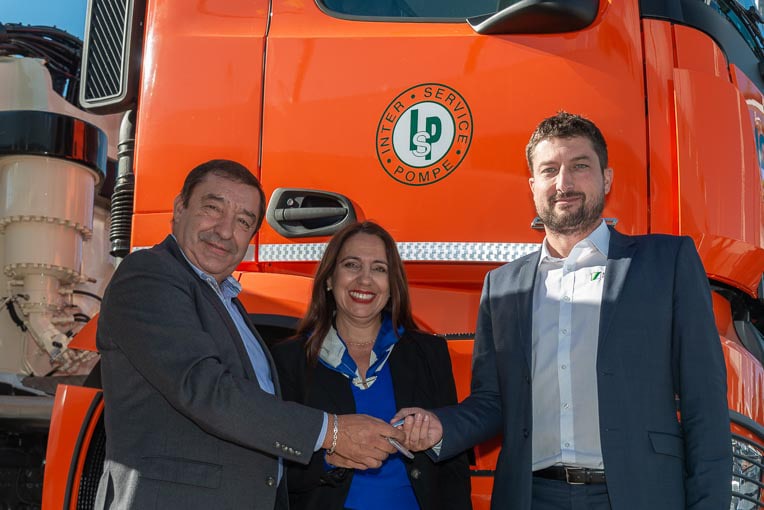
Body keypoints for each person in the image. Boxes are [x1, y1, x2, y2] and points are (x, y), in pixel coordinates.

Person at [394, 112, 732, 510]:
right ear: (533, 186)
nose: (564, 183)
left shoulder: (667, 262)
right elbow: (493, 403)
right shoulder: (501, 286)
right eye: (549, 170)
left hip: (640, 494)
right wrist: (440, 427)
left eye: (579, 166)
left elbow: (704, 405)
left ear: (606, 179)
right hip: (534, 497)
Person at [94, 160, 403, 510]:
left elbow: (252, 424)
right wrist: (331, 432)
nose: (225, 231)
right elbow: (205, 389)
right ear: (180, 209)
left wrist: (328, 454)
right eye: (213, 208)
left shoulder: (228, 301)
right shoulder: (150, 274)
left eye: (243, 221)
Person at [270, 221, 472, 510]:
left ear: (392, 286)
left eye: (379, 269)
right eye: (352, 265)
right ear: (329, 279)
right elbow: (274, 472)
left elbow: (454, 470)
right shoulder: (288, 361)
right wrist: (329, 459)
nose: (365, 280)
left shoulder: (430, 354)